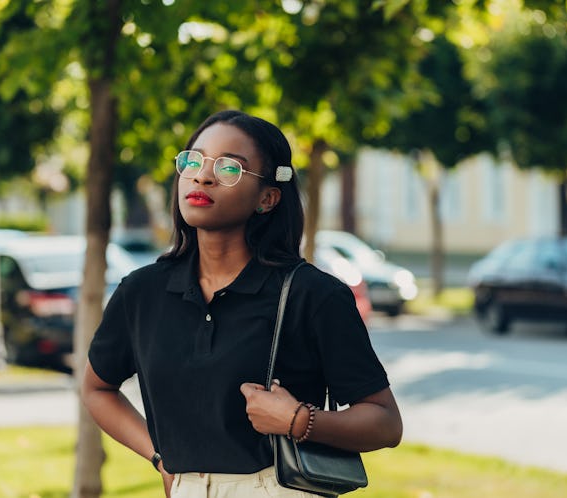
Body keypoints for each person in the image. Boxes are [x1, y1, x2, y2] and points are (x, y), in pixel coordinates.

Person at [82, 110, 402, 498]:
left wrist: (301, 421)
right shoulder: (142, 291)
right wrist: (159, 457)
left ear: (267, 199)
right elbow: (97, 388)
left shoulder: (313, 295)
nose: (203, 176)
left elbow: (385, 423)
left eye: (230, 168)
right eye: (193, 161)